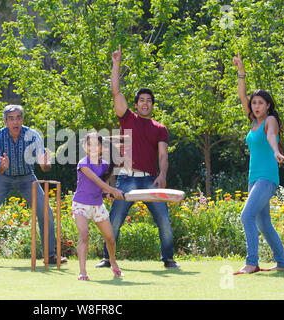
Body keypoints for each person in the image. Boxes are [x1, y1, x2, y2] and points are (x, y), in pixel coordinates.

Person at [96, 45, 179, 269]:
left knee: (163, 219)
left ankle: (169, 259)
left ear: (152, 105)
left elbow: (163, 155)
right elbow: (115, 92)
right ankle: (107, 258)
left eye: (148, 100)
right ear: (136, 104)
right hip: (127, 179)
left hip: (150, 180)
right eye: (141, 100)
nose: (145, 103)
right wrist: (116, 63)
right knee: (114, 220)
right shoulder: (128, 119)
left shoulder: (160, 128)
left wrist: (162, 175)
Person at [0, 105, 67, 266]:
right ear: (5, 121)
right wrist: (2, 166)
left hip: (27, 177)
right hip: (2, 178)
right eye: (11, 118)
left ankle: (50, 255)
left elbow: (45, 168)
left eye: (18, 118)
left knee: (46, 211)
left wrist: (45, 163)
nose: (15, 121)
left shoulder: (33, 135)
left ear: (22, 119)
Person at [232, 52, 284, 274]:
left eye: (260, 103)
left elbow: (271, 136)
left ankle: (252, 262)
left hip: (267, 177)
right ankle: (283, 263)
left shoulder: (270, 120)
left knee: (246, 215)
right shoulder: (253, 121)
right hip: (254, 178)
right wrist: (241, 71)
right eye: (254, 103)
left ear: (268, 106)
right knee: (263, 223)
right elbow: (242, 96)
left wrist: (276, 151)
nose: (256, 106)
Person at [73, 132, 124, 280]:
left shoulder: (105, 165)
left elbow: (104, 185)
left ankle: (113, 263)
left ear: (101, 147)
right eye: (89, 144)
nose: (93, 147)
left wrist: (109, 192)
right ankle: (82, 272)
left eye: (97, 144)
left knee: (110, 239)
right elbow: (97, 181)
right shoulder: (83, 164)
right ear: (84, 146)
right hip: (81, 204)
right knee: (84, 235)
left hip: (97, 205)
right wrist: (112, 190)